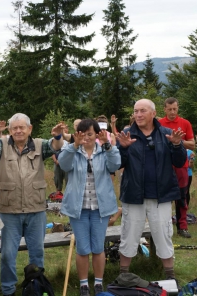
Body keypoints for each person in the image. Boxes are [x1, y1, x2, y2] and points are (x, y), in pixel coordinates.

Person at [0, 113, 65, 296]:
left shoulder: (41, 145)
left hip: (36, 209)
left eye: (21, 127)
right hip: (9, 211)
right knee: (8, 255)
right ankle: (9, 290)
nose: (18, 131)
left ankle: (36, 287)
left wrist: (58, 135)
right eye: (14, 128)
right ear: (10, 130)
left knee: (37, 254)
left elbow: (57, 146)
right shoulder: (1, 145)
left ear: (29, 129)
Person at [116, 99, 186, 281]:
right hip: (133, 193)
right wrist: (122, 149)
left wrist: (178, 145)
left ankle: (170, 276)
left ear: (153, 113)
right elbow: (117, 164)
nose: (138, 115)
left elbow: (179, 162)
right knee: (129, 234)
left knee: (163, 234)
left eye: (142, 111)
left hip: (161, 195)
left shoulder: (167, 134)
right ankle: (123, 274)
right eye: (135, 111)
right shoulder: (127, 134)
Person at [58, 118, 120, 296]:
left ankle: (99, 283)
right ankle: (84, 284)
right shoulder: (72, 151)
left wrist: (108, 144)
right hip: (79, 207)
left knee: (98, 247)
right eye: (82, 134)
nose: (87, 138)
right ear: (78, 135)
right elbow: (63, 164)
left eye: (90, 134)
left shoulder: (104, 150)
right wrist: (73, 145)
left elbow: (115, 164)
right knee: (83, 248)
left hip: (101, 208)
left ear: (97, 135)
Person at [159, 97, 195, 238]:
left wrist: (178, 141)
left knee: (181, 196)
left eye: (175, 109)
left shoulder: (185, 123)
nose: (173, 112)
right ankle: (164, 225)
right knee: (164, 195)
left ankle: (182, 226)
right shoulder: (159, 124)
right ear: (165, 109)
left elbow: (192, 144)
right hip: (164, 165)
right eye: (170, 109)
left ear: (178, 108)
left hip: (181, 165)